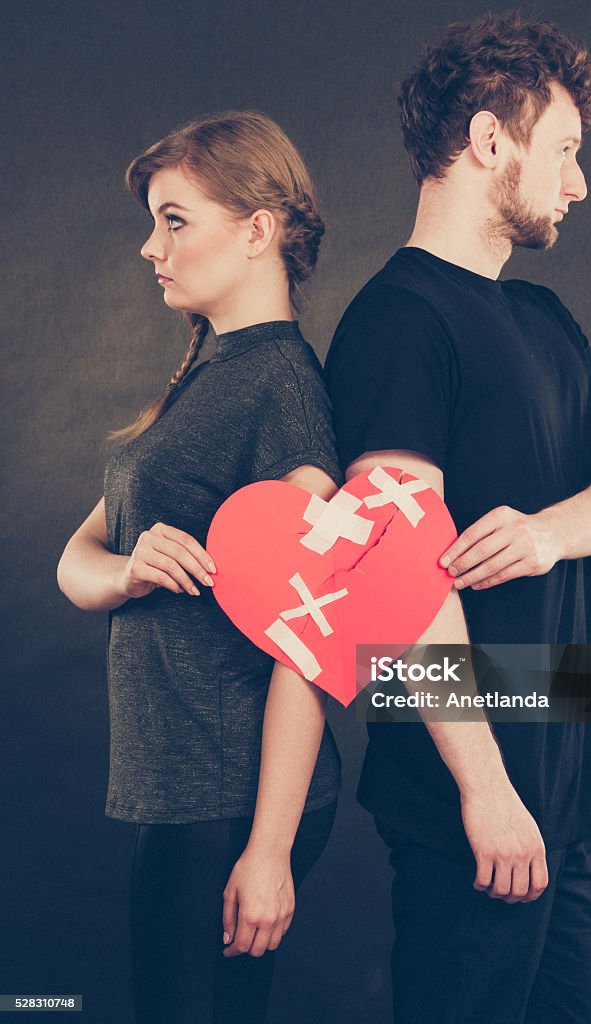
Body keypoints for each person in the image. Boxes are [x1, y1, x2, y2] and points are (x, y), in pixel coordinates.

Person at [326, 12, 591, 1024]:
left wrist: (547, 532)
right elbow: (392, 576)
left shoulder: (545, 319)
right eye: (564, 150)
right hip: (472, 811)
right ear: (491, 140)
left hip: (566, 810)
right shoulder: (399, 322)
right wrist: (485, 788)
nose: (579, 184)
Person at [57, 111, 343, 1024]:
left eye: (174, 220)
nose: (151, 247)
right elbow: (77, 560)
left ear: (257, 230)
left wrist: (269, 850)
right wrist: (131, 570)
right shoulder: (208, 372)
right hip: (180, 787)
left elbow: (311, 634)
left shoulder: (282, 387)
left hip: (228, 796)